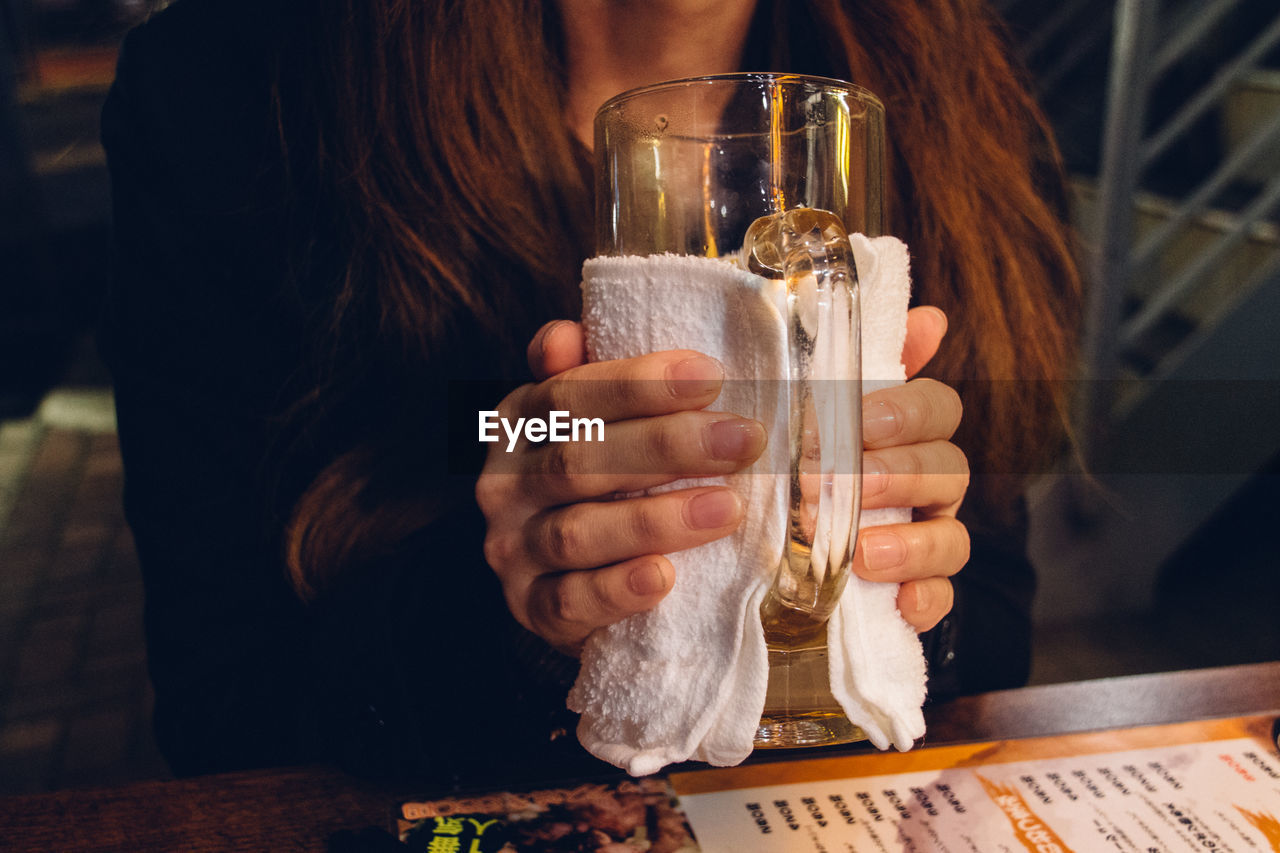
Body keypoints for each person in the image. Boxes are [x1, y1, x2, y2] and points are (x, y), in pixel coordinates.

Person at [100, 0, 1080, 785]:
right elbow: (225, 705)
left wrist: (899, 589)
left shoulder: (947, 100)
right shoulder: (242, 94)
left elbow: (993, 612)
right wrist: (537, 609)